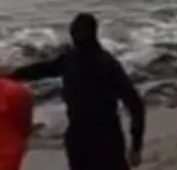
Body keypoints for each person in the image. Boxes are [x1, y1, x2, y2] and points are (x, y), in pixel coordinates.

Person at [8, 13, 145, 170]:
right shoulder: (104, 64)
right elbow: (135, 104)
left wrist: (11, 76)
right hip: (99, 136)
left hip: (89, 137)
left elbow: (43, 69)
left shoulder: (75, 60)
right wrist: (136, 145)